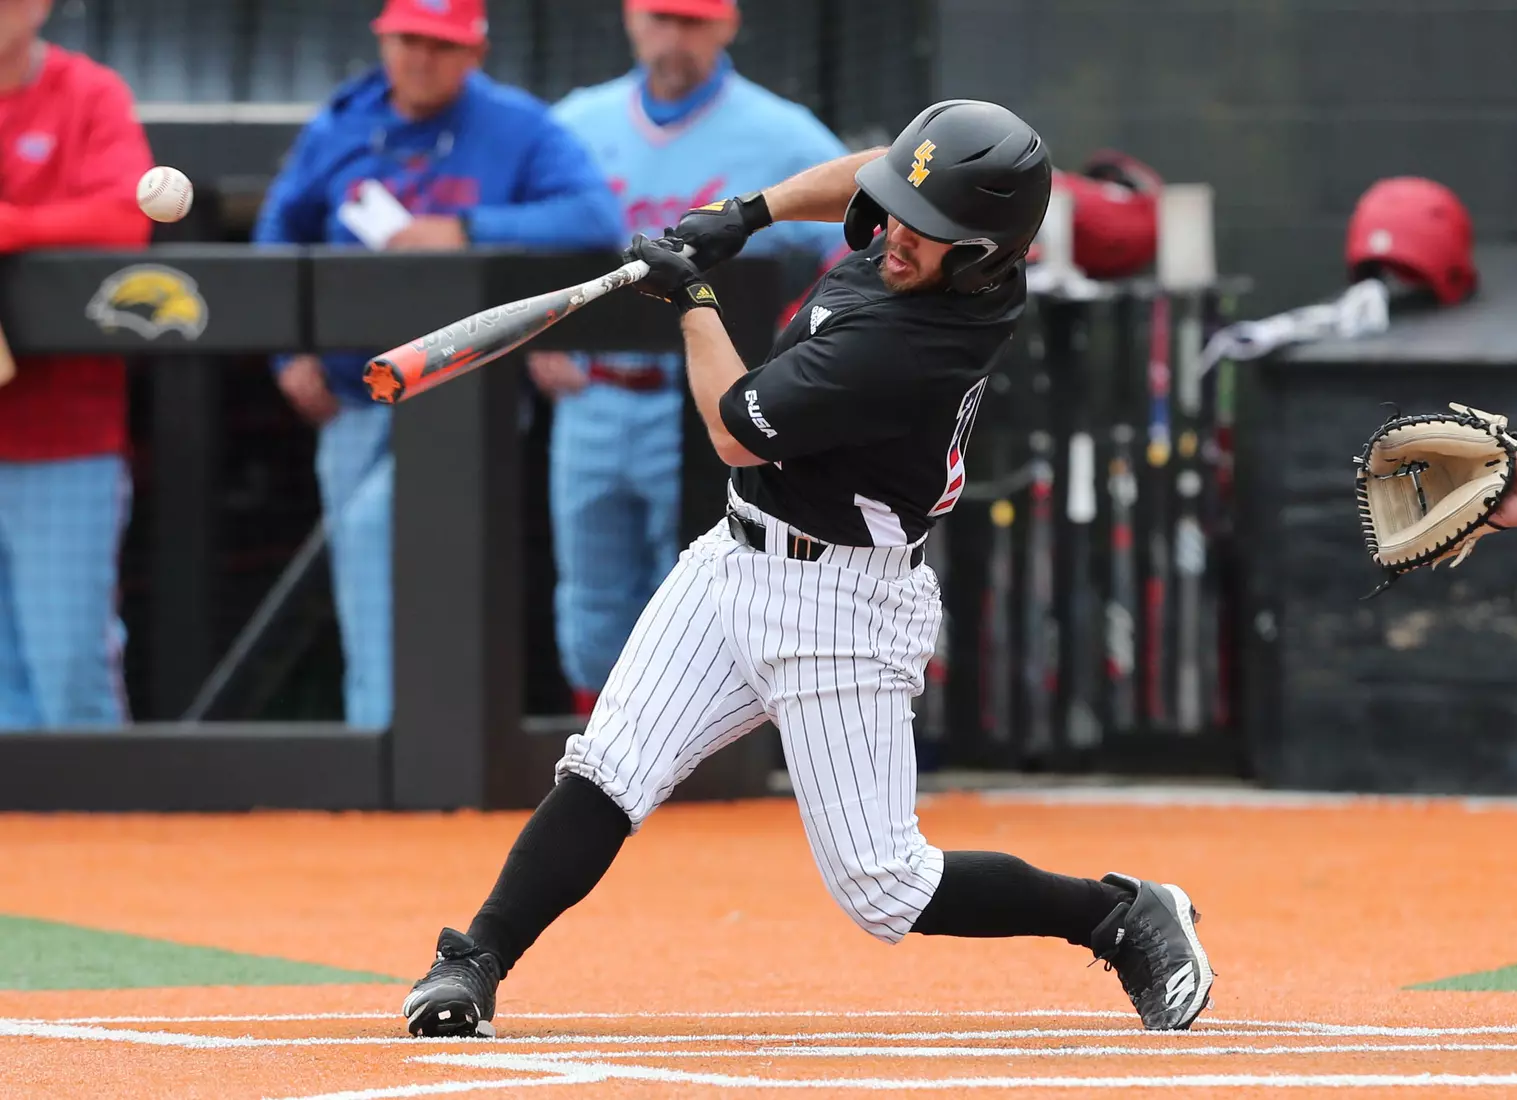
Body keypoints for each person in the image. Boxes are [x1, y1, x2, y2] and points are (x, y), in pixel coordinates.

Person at [401, 100, 1216, 1036]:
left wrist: (692, 299)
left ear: (986, 253)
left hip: (843, 603)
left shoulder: (910, 347)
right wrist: (747, 214)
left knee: (886, 886)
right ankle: (474, 959)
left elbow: (734, 428)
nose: (899, 235)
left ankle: (1118, 916)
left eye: (933, 231)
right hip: (736, 557)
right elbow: (884, 168)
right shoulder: (941, 235)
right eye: (905, 213)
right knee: (607, 770)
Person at [252, 0, 624, 729]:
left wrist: (464, 228)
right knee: (366, 580)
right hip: (355, 394)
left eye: (439, 44)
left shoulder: (517, 125)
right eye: (407, 41)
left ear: (474, 52)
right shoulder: (342, 125)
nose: (420, 58)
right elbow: (278, 228)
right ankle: (379, 742)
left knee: (383, 544)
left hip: (467, 391)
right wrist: (284, 348)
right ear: (384, 42)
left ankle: (420, 746)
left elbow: (592, 218)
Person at [527, 0, 850, 715]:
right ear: (631, 19)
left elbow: (859, 250)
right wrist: (538, 343)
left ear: (729, 24)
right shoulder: (576, 122)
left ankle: (700, 775)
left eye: (693, 19)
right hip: (593, 392)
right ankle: (602, 767)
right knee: (590, 595)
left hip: (713, 403)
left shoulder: (784, 132)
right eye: (662, 16)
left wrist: (794, 349)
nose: (676, 34)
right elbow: (526, 242)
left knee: (709, 592)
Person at [0, 0, 153, 729]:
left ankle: (102, 846)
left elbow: (128, 217)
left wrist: (11, 228)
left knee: (69, 679)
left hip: (62, 435)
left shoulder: (88, 93)